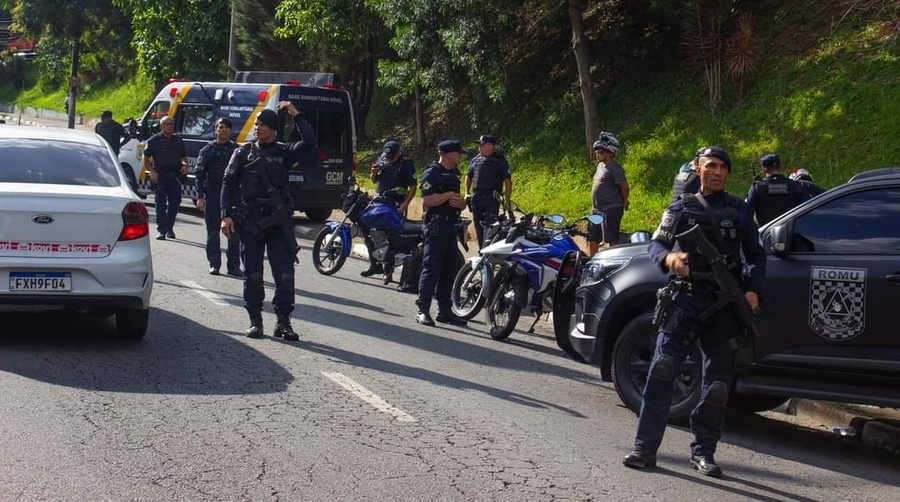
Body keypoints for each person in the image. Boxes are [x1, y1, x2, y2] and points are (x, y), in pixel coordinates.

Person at [622, 146, 766, 478]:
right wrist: (668, 259)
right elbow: (657, 244)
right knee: (662, 369)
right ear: (698, 170)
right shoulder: (681, 207)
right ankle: (645, 448)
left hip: (724, 305)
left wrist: (753, 289)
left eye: (723, 167)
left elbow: (757, 256)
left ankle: (703, 452)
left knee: (717, 386)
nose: (717, 172)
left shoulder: (740, 210)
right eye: (711, 166)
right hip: (685, 300)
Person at [220, 103, 315, 341]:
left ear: (273, 129)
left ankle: (283, 322)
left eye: (262, 125)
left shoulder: (284, 152)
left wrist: (295, 113)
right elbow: (228, 184)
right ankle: (255, 320)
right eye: (256, 124)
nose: (257, 128)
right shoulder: (243, 153)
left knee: (285, 276)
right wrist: (225, 214)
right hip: (251, 220)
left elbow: (310, 142)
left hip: (278, 221)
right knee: (253, 274)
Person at [414, 140, 470, 328]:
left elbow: (460, 202)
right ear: (448, 154)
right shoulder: (432, 173)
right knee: (431, 268)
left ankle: (444, 310)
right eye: (458, 153)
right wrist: (447, 196)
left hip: (450, 225)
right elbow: (427, 200)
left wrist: (461, 203)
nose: (461, 156)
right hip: (436, 225)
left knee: (449, 269)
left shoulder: (453, 174)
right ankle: (422, 310)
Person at [361, 140, 418, 277]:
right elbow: (374, 180)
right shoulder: (382, 159)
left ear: (399, 153)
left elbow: (413, 187)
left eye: (392, 157)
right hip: (380, 201)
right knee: (367, 228)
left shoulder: (406, 164)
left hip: (396, 203)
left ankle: (388, 269)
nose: (389, 160)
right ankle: (374, 264)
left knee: (392, 235)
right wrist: (373, 173)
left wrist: (405, 205)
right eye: (387, 157)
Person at [195, 117, 241, 277]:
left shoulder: (238, 151)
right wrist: (200, 197)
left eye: (227, 127)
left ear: (231, 130)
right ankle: (214, 264)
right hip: (213, 195)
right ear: (216, 130)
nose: (224, 130)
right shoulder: (207, 151)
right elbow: (199, 175)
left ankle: (234, 266)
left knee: (234, 233)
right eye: (221, 127)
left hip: (233, 196)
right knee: (213, 233)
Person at [143, 115, 188, 240]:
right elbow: (145, 158)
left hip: (175, 176)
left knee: (175, 203)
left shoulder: (178, 140)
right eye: (167, 124)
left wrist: (185, 165)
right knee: (160, 204)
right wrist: (152, 172)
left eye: (172, 124)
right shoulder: (154, 140)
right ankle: (161, 230)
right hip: (160, 176)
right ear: (161, 126)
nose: (170, 126)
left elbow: (184, 157)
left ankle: (169, 228)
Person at [465, 134, 512, 248]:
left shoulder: (500, 161)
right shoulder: (475, 160)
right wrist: (466, 193)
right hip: (476, 198)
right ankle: (481, 252)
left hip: (492, 199)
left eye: (482, 144)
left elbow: (507, 181)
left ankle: (487, 251)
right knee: (478, 227)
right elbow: (468, 177)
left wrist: (506, 199)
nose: (480, 147)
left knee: (489, 227)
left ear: (490, 146)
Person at [588, 132, 629, 255]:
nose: (597, 154)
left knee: (611, 240)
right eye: (596, 152)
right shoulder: (600, 166)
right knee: (592, 237)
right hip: (596, 209)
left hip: (610, 209)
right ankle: (591, 261)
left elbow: (624, 187)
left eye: (600, 152)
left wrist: (624, 202)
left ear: (609, 152)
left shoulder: (615, 168)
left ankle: (613, 261)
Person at [746, 153, 809, 226]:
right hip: (794, 231)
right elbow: (807, 211)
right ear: (780, 166)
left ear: (763, 170)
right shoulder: (796, 186)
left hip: (767, 232)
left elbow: (747, 214)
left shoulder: (757, 188)